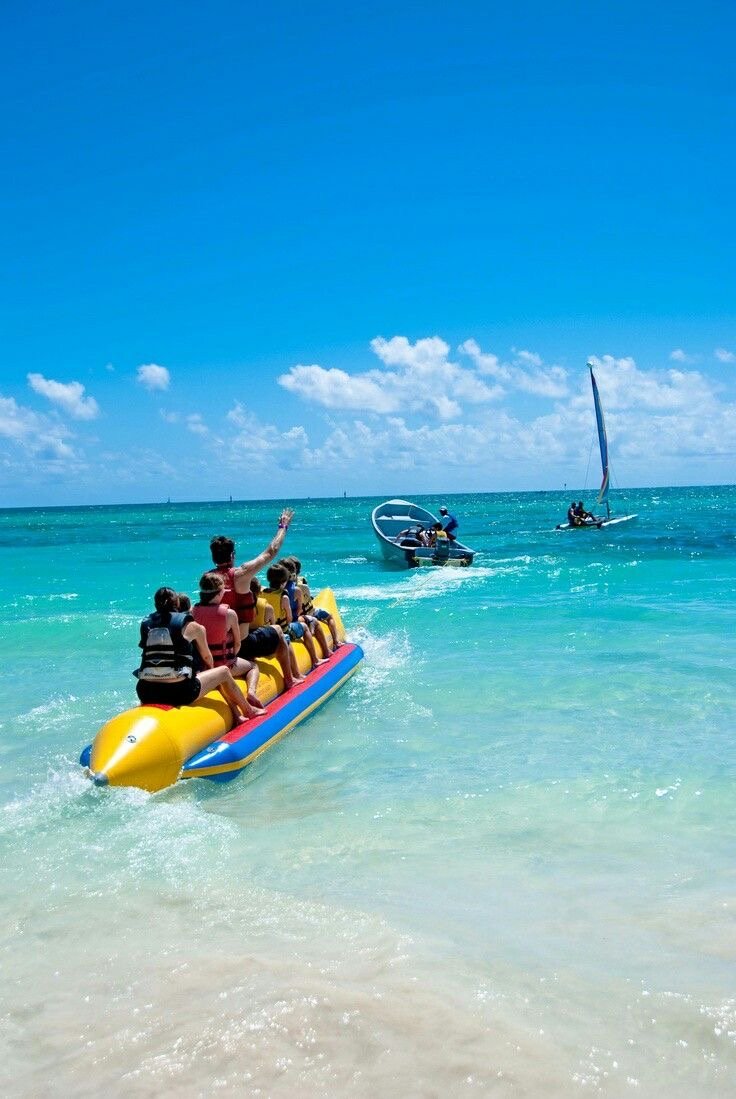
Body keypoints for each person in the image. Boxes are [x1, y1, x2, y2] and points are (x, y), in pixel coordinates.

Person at [208, 508, 303, 689]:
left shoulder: (208, 579)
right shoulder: (240, 575)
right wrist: (283, 526)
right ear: (232, 555)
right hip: (244, 645)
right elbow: (271, 551)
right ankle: (290, 679)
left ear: (213, 557)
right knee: (277, 630)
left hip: (218, 646)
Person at [133, 586, 258, 722]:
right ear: (177, 603)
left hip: (145, 691)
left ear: (155, 604)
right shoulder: (192, 626)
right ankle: (248, 710)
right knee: (223, 672)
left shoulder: (146, 624)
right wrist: (211, 674)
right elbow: (207, 658)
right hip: (179, 692)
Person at [192, 573, 266, 711]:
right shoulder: (229, 614)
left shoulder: (193, 611)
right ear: (219, 593)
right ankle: (251, 692)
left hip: (204, 667)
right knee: (253, 666)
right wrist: (232, 657)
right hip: (225, 664)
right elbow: (238, 644)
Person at [262, 564, 327, 669]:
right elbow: (289, 618)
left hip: (269, 631)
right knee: (304, 627)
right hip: (284, 630)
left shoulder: (262, 593)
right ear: (284, 581)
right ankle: (315, 659)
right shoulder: (283, 596)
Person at [281, 556, 341, 652]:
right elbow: (308, 599)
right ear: (298, 571)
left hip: (290, 617)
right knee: (329, 616)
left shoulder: (279, 587)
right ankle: (336, 642)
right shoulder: (302, 585)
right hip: (308, 613)